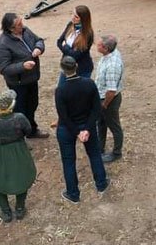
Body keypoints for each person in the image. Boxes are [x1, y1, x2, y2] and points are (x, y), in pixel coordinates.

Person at [54, 55, 109, 203]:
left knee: (68, 161)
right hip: (87, 125)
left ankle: (73, 193)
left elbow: (63, 116)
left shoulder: (61, 90)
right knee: (95, 154)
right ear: (76, 66)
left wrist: (77, 132)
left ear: (63, 70)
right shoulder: (89, 84)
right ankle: (101, 184)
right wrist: (86, 129)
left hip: (67, 129)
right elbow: (96, 109)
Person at [0, 90, 37, 222]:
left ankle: (6, 212)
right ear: (12, 106)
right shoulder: (19, 118)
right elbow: (28, 131)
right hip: (18, 152)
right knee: (22, 179)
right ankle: (20, 209)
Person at [0, 12, 48, 138]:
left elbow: (39, 40)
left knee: (32, 105)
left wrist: (38, 48)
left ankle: (31, 130)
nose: (22, 25)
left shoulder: (25, 31)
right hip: (18, 83)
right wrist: (22, 66)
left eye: (21, 22)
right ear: (10, 28)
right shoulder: (2, 44)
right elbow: (4, 68)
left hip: (32, 78)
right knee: (20, 110)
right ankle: (19, 137)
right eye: (19, 24)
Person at [95, 34, 124, 163]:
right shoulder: (110, 54)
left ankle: (116, 153)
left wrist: (105, 104)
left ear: (106, 48)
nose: (96, 44)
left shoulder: (112, 65)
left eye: (99, 44)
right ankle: (99, 148)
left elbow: (111, 91)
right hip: (102, 97)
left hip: (108, 100)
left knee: (114, 126)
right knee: (100, 123)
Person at [55, 5, 95, 86]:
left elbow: (76, 55)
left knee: (79, 95)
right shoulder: (70, 25)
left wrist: (65, 46)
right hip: (67, 66)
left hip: (82, 69)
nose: (73, 17)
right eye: (72, 14)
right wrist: (69, 50)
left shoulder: (88, 34)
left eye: (76, 17)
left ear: (83, 19)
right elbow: (59, 42)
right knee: (61, 89)